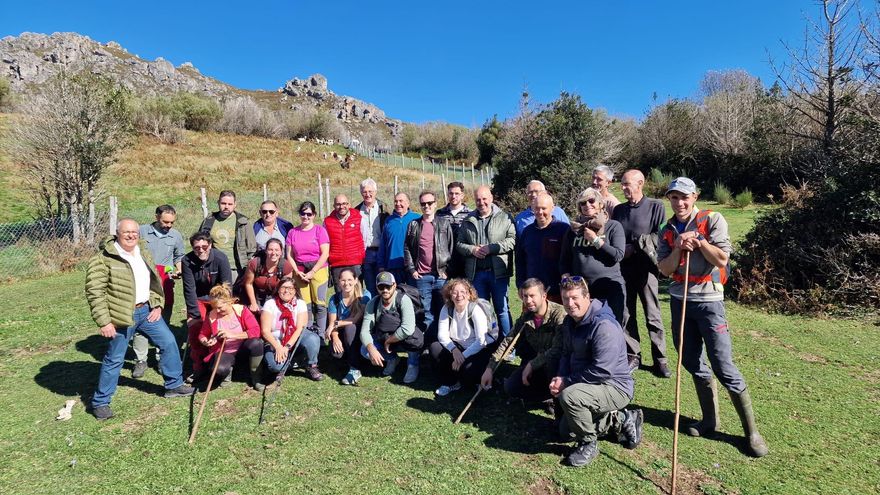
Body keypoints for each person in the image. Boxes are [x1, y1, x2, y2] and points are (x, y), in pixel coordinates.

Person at [657, 177, 768, 457]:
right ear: (669, 199)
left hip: (709, 302)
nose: (679, 203)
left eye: (684, 197)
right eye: (674, 197)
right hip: (680, 302)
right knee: (691, 360)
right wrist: (679, 247)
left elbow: (721, 259)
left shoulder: (713, 219)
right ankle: (710, 420)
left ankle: (751, 432)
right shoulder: (666, 230)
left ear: (695, 197)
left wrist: (700, 241)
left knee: (723, 365)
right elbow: (665, 270)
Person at [85, 218, 194, 420]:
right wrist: (104, 321)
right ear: (117, 233)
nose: (131, 235)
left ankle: (174, 385)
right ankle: (101, 402)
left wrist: (157, 304)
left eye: (134, 232)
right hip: (121, 317)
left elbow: (154, 281)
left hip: (146, 312)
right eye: (127, 232)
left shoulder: (142, 252)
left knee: (169, 342)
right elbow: (95, 292)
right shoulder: (104, 258)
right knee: (114, 358)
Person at [550, 276, 642, 467]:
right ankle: (619, 419)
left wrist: (567, 382)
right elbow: (566, 354)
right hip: (585, 384)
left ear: (587, 296)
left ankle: (588, 443)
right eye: (566, 299)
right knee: (565, 433)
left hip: (614, 386)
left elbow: (602, 371)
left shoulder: (603, 326)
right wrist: (559, 377)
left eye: (575, 298)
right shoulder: (569, 321)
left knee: (570, 397)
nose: (570, 303)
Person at [612, 169, 670, 378]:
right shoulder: (618, 210)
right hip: (623, 270)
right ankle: (632, 354)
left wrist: (635, 246)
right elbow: (613, 234)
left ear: (640, 183)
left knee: (652, 315)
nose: (624, 188)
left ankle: (660, 359)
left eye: (627, 184)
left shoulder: (656, 206)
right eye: (623, 184)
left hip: (647, 270)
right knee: (627, 315)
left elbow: (661, 235)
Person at [481, 278, 566, 405]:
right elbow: (508, 341)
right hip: (536, 363)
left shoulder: (559, 315)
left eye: (532, 296)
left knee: (553, 364)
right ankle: (544, 396)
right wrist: (490, 368)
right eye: (525, 296)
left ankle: (555, 399)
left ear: (544, 296)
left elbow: (557, 349)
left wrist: (532, 364)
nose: (528, 301)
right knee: (511, 387)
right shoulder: (526, 316)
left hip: (557, 366)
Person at [559, 188, 629, 335]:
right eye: (583, 203)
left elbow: (618, 255)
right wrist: (565, 278)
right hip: (583, 289)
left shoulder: (613, 226)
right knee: (586, 329)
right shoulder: (573, 230)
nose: (587, 205)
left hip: (610, 287)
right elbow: (564, 259)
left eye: (591, 201)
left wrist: (596, 240)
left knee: (612, 329)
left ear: (600, 204)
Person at [131, 205, 185, 379]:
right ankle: (141, 359)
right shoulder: (142, 231)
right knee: (141, 319)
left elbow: (178, 257)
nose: (168, 225)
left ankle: (162, 358)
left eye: (171, 222)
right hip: (142, 280)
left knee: (162, 321)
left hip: (164, 282)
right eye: (165, 221)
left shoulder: (175, 236)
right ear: (156, 217)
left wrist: (178, 270)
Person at [456, 185, 516, 339]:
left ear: (491, 198)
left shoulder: (505, 217)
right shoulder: (468, 220)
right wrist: (472, 250)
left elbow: (512, 240)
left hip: (498, 273)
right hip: (477, 274)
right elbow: (459, 244)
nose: (481, 202)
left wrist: (492, 248)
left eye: (484, 199)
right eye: (478, 200)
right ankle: (485, 343)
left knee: (501, 309)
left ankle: (508, 347)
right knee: (480, 310)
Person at [429, 278, 497, 396]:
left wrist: (462, 356)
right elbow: (442, 335)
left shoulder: (475, 309)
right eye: (454, 292)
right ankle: (450, 382)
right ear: (449, 295)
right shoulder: (446, 308)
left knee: (468, 371)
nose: (459, 295)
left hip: (478, 349)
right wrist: (454, 350)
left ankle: (474, 380)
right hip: (457, 347)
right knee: (435, 348)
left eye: (463, 292)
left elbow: (481, 341)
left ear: (469, 294)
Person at [181, 232, 234, 375]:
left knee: (217, 325)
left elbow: (227, 285)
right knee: (196, 326)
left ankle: (215, 358)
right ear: (192, 247)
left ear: (210, 245)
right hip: (199, 298)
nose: (201, 250)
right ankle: (198, 364)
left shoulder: (220, 257)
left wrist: (223, 306)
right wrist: (194, 314)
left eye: (204, 246)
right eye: (197, 247)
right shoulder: (187, 260)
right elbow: (189, 289)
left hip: (217, 297)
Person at [196, 283, 265, 389]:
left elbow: (255, 331)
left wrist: (232, 335)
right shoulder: (212, 315)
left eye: (220, 307)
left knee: (257, 343)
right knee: (220, 369)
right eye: (214, 307)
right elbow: (202, 334)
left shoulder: (242, 310)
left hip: (243, 349)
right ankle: (227, 373)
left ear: (229, 302)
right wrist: (206, 341)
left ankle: (256, 377)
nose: (217, 311)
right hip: (225, 351)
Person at [359, 272, 424, 384]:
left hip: (404, 338)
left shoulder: (403, 300)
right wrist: (371, 348)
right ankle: (392, 359)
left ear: (394, 285)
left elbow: (408, 328)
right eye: (381, 287)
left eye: (388, 286)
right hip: (385, 337)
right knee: (364, 350)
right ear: (377, 288)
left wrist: (389, 341)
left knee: (414, 338)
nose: (385, 290)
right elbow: (364, 331)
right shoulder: (373, 303)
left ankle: (413, 364)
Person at [404, 190, 454, 335]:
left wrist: (448, 271)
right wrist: (412, 269)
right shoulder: (413, 225)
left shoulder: (444, 224)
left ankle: (442, 346)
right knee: (426, 314)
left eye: (429, 203)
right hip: (422, 278)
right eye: (423, 204)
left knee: (443, 312)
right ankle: (427, 348)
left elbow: (451, 249)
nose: (426, 206)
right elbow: (407, 248)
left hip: (440, 277)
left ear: (435, 204)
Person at [260, 277, 323, 382]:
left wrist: (287, 346)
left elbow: (300, 329)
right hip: (275, 341)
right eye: (283, 287)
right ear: (278, 289)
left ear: (295, 291)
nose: (286, 291)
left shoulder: (300, 303)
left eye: (290, 288)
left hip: (295, 338)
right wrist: (278, 347)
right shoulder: (270, 304)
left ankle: (311, 365)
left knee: (312, 338)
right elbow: (265, 331)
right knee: (274, 367)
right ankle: (291, 363)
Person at [286, 201, 331, 339]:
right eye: (303, 214)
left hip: (318, 270)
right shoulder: (293, 232)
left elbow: (325, 253)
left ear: (314, 215)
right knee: (305, 304)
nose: (306, 217)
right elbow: (289, 255)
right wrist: (297, 271)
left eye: (309, 214)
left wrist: (313, 271)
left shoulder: (320, 231)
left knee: (320, 303)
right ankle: (308, 334)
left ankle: (322, 335)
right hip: (300, 271)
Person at [515, 192, 569, 302]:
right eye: (536, 208)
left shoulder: (563, 230)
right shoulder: (527, 232)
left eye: (544, 208)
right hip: (532, 294)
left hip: (558, 293)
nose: (540, 212)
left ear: (552, 208)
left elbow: (570, 259)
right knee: (529, 320)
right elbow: (520, 262)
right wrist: (520, 284)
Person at [327, 267, 372, 385]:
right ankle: (350, 358)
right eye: (343, 280)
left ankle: (355, 368)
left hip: (359, 331)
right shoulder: (334, 299)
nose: (346, 283)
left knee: (350, 328)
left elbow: (355, 319)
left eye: (349, 280)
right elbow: (332, 323)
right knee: (337, 354)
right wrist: (335, 338)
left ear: (356, 280)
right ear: (338, 281)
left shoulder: (364, 295)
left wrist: (338, 323)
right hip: (341, 332)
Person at [198, 190, 257, 276]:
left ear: (235, 204)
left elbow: (251, 248)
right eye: (223, 203)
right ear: (218, 203)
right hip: (213, 268)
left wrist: (248, 269)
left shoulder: (243, 222)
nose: (226, 207)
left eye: (230, 204)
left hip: (235, 269)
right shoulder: (208, 221)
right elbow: (199, 244)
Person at [241, 238, 293, 313]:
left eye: (276, 250)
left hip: (276, 297)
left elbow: (286, 288)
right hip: (256, 296)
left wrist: (281, 305)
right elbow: (248, 283)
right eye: (270, 249)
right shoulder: (255, 263)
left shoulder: (286, 266)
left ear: (281, 252)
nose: (273, 253)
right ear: (266, 251)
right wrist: (253, 303)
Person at [356, 178, 389, 295]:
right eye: (365, 192)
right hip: (365, 253)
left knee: (383, 285)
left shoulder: (384, 209)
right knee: (370, 287)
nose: (368, 194)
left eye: (370, 191)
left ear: (375, 192)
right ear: (361, 193)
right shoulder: (356, 211)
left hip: (381, 252)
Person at [378, 192, 420, 283]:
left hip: (412, 267)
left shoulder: (417, 219)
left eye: (401, 201)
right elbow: (383, 244)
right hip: (393, 266)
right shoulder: (389, 220)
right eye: (396, 201)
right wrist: (381, 265)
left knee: (413, 294)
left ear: (408, 203)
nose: (398, 204)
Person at [324, 194, 365, 288]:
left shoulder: (359, 218)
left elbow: (365, 239)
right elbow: (326, 243)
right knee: (340, 295)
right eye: (338, 204)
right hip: (337, 264)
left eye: (344, 203)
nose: (341, 207)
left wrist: (361, 257)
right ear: (334, 206)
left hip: (355, 263)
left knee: (357, 294)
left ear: (349, 204)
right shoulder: (327, 222)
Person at [436, 181, 471, 278]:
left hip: (465, 262)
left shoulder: (471, 214)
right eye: (451, 193)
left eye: (457, 193)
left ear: (462, 195)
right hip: (446, 262)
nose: (453, 196)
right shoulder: (440, 214)